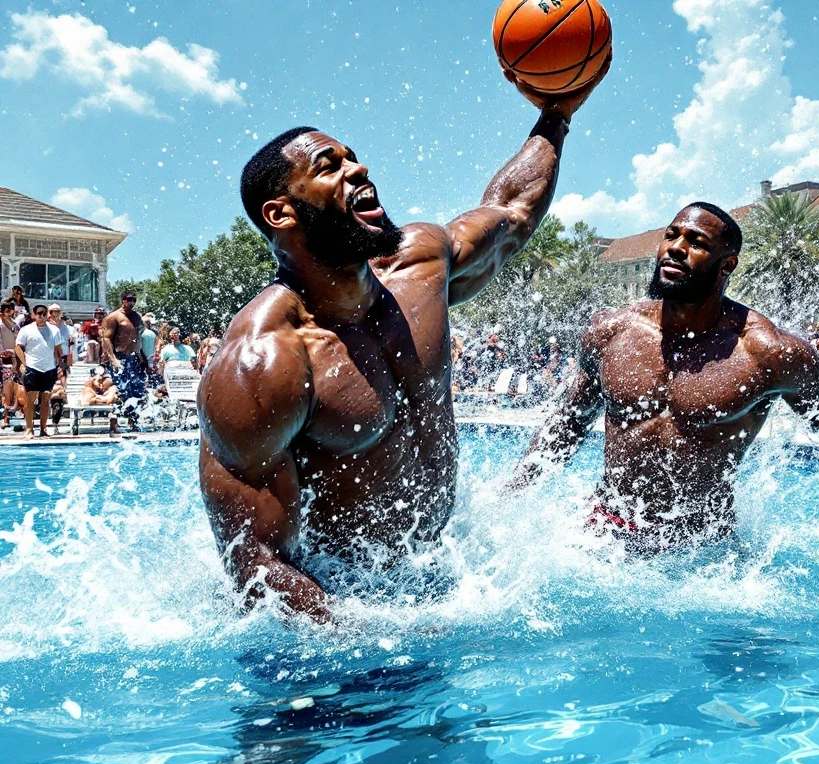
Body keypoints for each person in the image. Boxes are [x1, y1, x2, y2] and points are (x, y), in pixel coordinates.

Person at [198, 59, 610, 623]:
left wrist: (556, 115)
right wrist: (374, 644)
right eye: (329, 166)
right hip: (342, 624)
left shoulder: (418, 265)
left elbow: (511, 213)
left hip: (438, 577)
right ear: (281, 213)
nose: (358, 167)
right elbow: (257, 564)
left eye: (352, 155)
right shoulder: (264, 364)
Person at [507, 203, 819, 563]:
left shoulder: (768, 353)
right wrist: (512, 494)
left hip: (701, 551)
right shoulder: (611, 331)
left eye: (695, 241)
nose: (676, 248)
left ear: (726, 265)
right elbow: (570, 422)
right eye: (671, 235)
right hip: (607, 533)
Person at [101, 291, 148, 430]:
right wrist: (113, 359)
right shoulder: (114, 317)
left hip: (133, 358)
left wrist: (141, 355)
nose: (131, 302)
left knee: (136, 391)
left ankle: (133, 421)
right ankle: (113, 424)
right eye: (128, 299)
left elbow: (138, 337)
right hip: (119, 358)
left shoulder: (136, 317)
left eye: (133, 300)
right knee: (119, 390)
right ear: (123, 300)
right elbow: (106, 338)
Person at [14, 304, 62, 438]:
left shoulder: (54, 330)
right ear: (34, 315)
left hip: (49, 368)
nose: (41, 316)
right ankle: (29, 429)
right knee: (31, 399)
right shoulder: (26, 330)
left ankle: (43, 428)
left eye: (44, 313)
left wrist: (60, 363)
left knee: (46, 399)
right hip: (33, 367)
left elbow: (58, 349)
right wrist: (24, 363)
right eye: (39, 313)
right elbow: (18, 348)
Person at [79, 365, 120, 434]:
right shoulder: (90, 387)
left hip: (104, 397)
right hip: (90, 400)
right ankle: (113, 428)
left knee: (112, 407)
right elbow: (88, 401)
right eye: (99, 382)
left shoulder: (108, 387)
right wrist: (100, 398)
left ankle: (113, 427)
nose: (100, 385)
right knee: (111, 405)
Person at [1, 300, 22, 429]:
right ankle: (5, 417)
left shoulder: (15, 325)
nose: (9, 313)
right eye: (6, 310)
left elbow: (18, 341)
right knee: (4, 389)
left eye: (11, 310)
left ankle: (11, 415)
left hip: (14, 358)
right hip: (2, 359)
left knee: (13, 388)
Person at [47, 304, 73, 372]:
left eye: (56, 311)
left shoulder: (65, 326)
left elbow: (68, 342)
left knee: (62, 377)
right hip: (49, 355)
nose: (54, 313)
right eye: (51, 311)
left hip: (63, 354)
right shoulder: (45, 325)